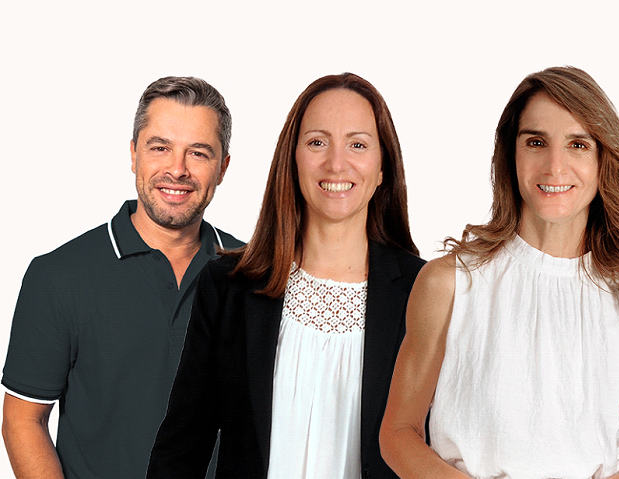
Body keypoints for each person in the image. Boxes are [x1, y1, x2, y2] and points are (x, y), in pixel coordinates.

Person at [147, 72, 424, 479]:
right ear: (292, 160)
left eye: (358, 144)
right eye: (317, 142)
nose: (336, 163)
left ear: (383, 167)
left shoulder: (425, 292)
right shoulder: (228, 287)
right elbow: (181, 450)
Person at [380, 66, 619, 479]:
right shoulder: (449, 283)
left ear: (603, 160)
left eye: (578, 144)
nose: (555, 166)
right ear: (511, 154)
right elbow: (399, 432)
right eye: (536, 142)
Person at [1, 76, 241, 478]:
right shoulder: (58, 276)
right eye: (160, 148)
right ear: (133, 155)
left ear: (223, 168)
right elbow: (23, 421)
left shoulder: (255, 274)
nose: (177, 169)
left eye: (198, 153)